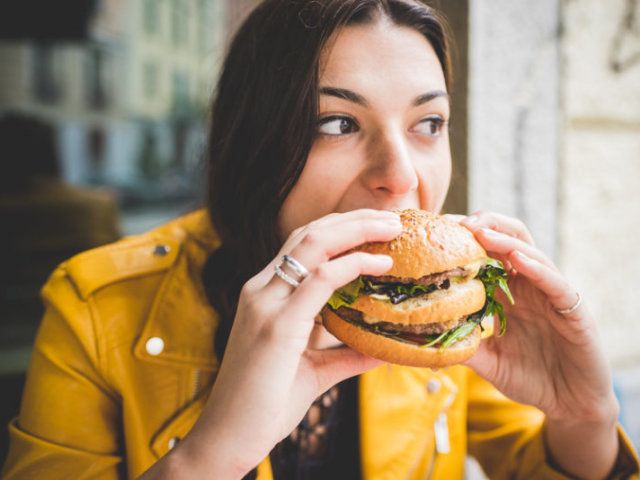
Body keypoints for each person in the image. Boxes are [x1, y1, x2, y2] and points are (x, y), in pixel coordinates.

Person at [1, 1, 639, 479]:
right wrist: (211, 455)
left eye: (429, 123)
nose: (401, 177)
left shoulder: (441, 316)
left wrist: (583, 419)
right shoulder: (93, 308)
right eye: (337, 122)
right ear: (255, 141)